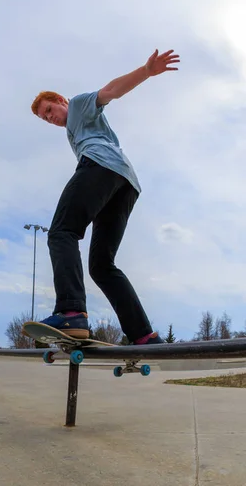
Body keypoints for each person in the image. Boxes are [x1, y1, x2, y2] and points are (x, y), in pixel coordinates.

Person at [29, 49, 180, 345]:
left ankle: (71, 311)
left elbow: (110, 91)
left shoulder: (78, 105)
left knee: (62, 231)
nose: (50, 119)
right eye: (44, 119)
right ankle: (143, 335)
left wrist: (146, 72)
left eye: (49, 111)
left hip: (101, 166)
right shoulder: (74, 127)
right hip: (124, 182)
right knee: (101, 265)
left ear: (60, 100)